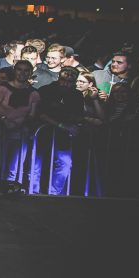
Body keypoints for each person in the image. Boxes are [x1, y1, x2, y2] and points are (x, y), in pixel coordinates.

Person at [0, 60, 40, 191]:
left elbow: (32, 114)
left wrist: (20, 122)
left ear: (30, 72)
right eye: (19, 69)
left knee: (15, 163)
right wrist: (4, 119)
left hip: (20, 132)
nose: (22, 73)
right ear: (14, 71)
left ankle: (9, 190)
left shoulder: (33, 93)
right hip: (0, 130)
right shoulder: (3, 88)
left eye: (26, 70)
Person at [35, 66, 83, 195]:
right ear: (58, 77)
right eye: (63, 80)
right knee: (37, 163)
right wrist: (62, 125)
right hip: (43, 133)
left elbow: (78, 115)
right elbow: (41, 114)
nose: (66, 84)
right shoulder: (46, 90)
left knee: (65, 163)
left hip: (63, 137)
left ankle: (54, 193)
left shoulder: (77, 95)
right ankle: (33, 191)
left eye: (70, 82)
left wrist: (72, 123)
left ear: (75, 82)